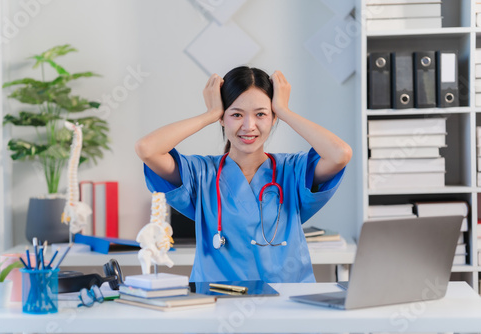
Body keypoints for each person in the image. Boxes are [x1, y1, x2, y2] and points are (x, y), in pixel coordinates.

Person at [135, 66, 352, 283]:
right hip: (217, 301)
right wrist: (209, 114)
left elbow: (340, 154)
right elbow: (147, 148)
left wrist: (285, 111)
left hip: (287, 300)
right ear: (222, 117)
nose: (249, 126)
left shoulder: (292, 171)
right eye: (236, 114)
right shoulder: (200, 174)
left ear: (273, 117)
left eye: (261, 114)